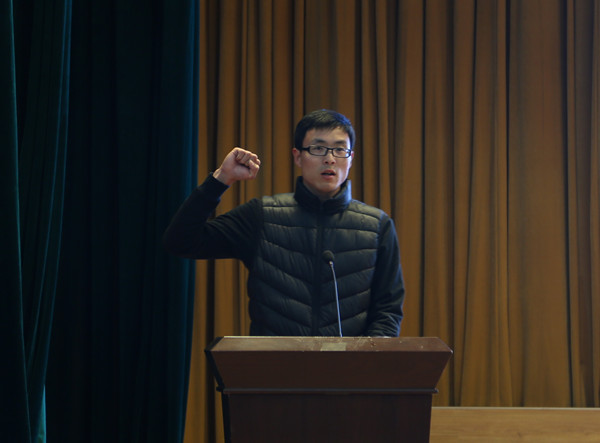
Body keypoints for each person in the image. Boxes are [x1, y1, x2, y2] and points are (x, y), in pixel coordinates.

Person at [163, 109, 405, 336]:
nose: (330, 159)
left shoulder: (377, 226)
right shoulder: (262, 216)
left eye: (340, 150)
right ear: (297, 156)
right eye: (318, 148)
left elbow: (388, 310)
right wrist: (221, 179)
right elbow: (181, 241)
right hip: (272, 365)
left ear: (351, 158)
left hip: (349, 367)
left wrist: (367, 361)